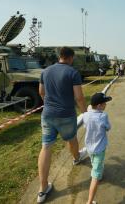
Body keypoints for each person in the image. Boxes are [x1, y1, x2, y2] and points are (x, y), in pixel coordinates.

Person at [37, 46, 87, 203]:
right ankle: (77, 157)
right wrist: (86, 113)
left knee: (46, 147)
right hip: (66, 115)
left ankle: (43, 188)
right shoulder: (73, 72)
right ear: (70, 58)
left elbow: (41, 92)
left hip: (47, 115)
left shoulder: (45, 71)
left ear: (60, 56)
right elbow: (79, 97)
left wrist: (50, 103)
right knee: (71, 138)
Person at [83, 92, 112, 204]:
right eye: (104, 103)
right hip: (99, 149)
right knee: (95, 175)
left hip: (89, 147)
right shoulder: (103, 116)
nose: (106, 105)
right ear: (99, 106)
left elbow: (87, 119)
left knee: (94, 163)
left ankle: (98, 173)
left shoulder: (86, 115)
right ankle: (89, 202)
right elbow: (108, 127)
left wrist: (89, 110)